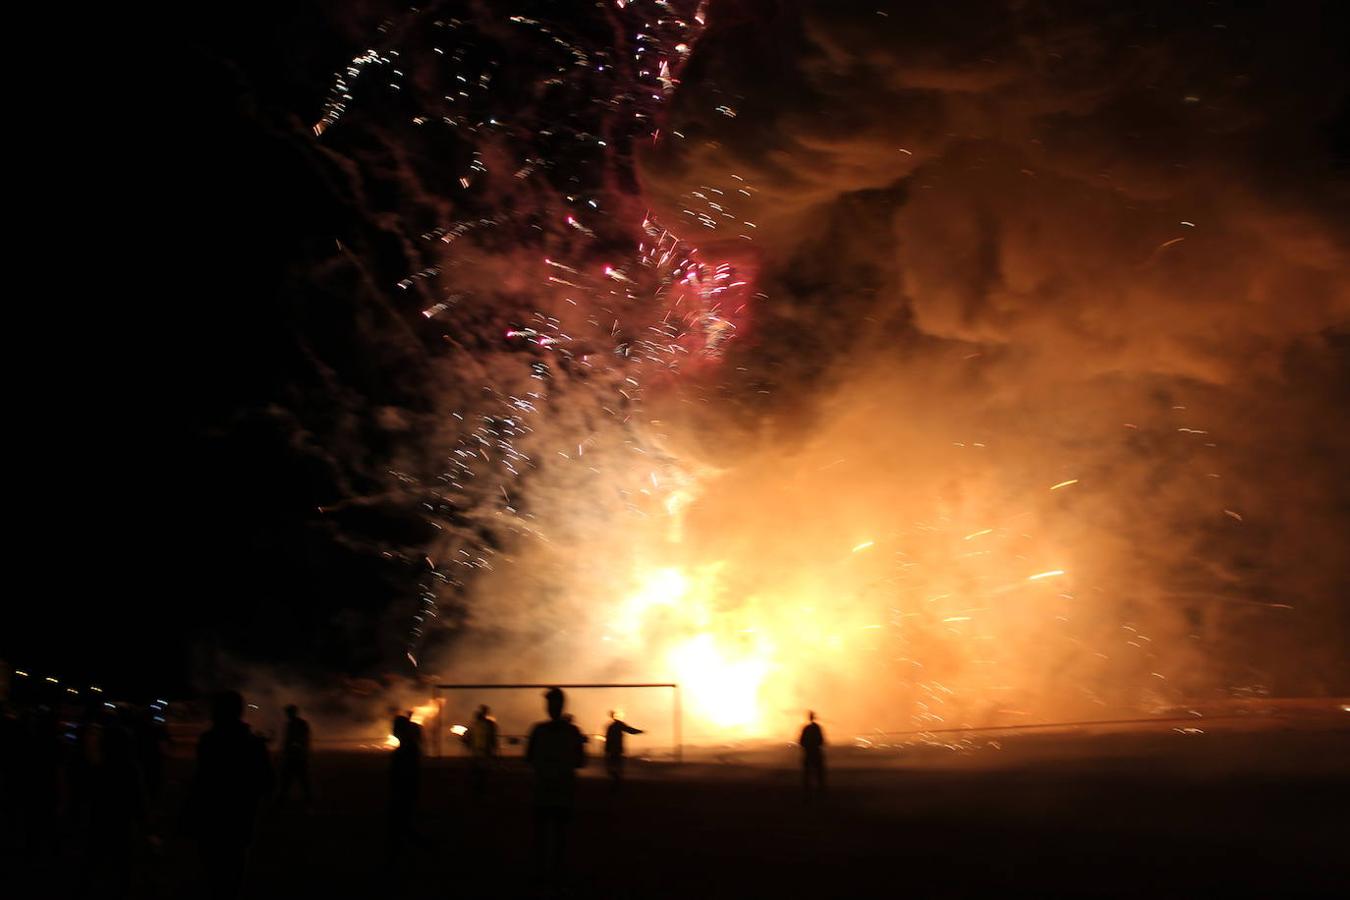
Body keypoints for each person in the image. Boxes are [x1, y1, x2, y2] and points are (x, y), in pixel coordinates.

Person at [184, 691, 273, 900]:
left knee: (213, 872)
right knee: (233, 871)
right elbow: (267, 782)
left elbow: (202, 780)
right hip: (240, 817)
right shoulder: (252, 743)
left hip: (210, 817)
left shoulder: (208, 741)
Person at [525, 687, 586, 878]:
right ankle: (555, 871)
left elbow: (528, 758)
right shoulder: (573, 732)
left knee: (543, 835)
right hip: (561, 791)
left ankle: (542, 871)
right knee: (558, 835)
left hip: (545, 791)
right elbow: (580, 761)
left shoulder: (538, 730)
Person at [386, 712, 423, 866]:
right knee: (403, 820)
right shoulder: (408, 748)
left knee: (402, 820)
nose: (393, 730)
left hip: (404, 790)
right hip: (405, 790)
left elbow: (406, 772)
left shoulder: (408, 750)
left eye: (395, 727)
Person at [277, 704, 312, 807]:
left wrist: (289, 749)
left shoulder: (295, 724)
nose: (287, 715)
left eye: (288, 712)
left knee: (293, 777)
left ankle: (283, 797)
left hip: (296, 756)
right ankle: (307, 797)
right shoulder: (297, 723)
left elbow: (300, 740)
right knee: (298, 777)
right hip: (297, 755)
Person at [603, 710, 644, 790]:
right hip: (618, 749)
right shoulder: (619, 724)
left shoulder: (610, 727)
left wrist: (606, 750)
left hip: (612, 750)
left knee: (612, 767)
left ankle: (616, 782)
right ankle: (617, 782)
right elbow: (630, 730)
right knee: (617, 766)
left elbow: (608, 739)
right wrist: (640, 731)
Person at [467, 704, 499, 796]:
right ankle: (481, 791)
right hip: (484, 752)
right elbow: (493, 738)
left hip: (478, 752)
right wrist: (494, 750)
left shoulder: (474, 724)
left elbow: (469, 738)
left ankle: (477, 791)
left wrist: (468, 744)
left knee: (478, 772)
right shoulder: (490, 725)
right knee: (483, 773)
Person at [798, 710, 826, 799]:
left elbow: (801, 741)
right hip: (816, 752)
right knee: (819, 773)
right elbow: (821, 741)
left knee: (808, 773)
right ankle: (820, 791)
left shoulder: (806, 728)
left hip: (808, 752)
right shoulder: (817, 728)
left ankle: (807, 791)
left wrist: (807, 746)